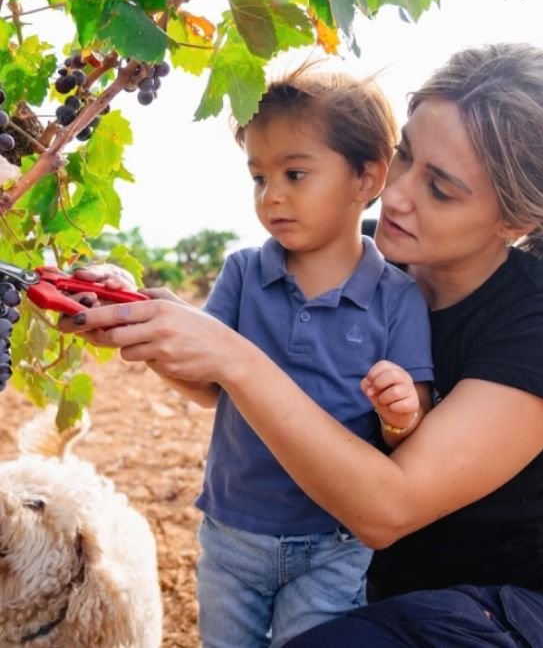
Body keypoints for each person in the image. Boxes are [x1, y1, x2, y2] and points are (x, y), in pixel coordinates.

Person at [63, 43, 543, 647]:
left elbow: (384, 510)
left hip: (532, 616)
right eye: (404, 157)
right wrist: (145, 318)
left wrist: (234, 356)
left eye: (441, 189)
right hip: (393, 602)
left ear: (515, 222)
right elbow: (222, 380)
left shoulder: (542, 328)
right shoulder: (355, 259)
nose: (396, 195)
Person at [74, 67, 434, 648]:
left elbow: (408, 428)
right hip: (234, 532)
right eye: (259, 177)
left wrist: (399, 409)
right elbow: (207, 378)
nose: (273, 196)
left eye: (295, 173)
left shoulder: (397, 297)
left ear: (367, 176)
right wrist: (131, 310)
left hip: (333, 543)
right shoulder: (245, 272)